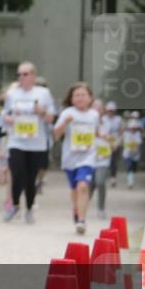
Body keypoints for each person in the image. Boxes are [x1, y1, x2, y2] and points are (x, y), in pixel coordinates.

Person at [0, 62, 56, 224]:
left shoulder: (43, 93)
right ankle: (15, 205)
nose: (21, 77)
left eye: (25, 74)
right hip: (16, 141)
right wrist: (8, 118)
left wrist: (41, 112)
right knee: (17, 173)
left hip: (37, 142)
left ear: (33, 76)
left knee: (30, 178)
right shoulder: (12, 94)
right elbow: (5, 113)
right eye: (19, 74)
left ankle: (29, 208)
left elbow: (51, 117)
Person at [53, 82, 99, 235]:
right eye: (77, 95)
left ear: (90, 98)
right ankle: (77, 209)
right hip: (70, 158)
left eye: (83, 95)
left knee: (83, 186)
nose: (80, 98)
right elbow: (56, 134)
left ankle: (81, 220)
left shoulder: (94, 115)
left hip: (88, 156)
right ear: (71, 99)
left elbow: (95, 132)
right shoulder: (67, 113)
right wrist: (65, 123)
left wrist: (102, 136)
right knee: (74, 189)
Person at [90, 99, 112, 220]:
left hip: (103, 158)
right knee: (89, 185)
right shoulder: (87, 120)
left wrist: (111, 141)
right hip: (89, 157)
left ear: (103, 110)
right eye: (95, 107)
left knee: (100, 182)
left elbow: (113, 138)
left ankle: (101, 208)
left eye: (99, 108)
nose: (97, 110)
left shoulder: (108, 123)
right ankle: (82, 207)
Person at [101, 101, 123, 188]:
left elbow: (121, 132)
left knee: (113, 160)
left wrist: (117, 143)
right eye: (109, 110)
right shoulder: (103, 119)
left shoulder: (118, 119)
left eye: (112, 110)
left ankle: (113, 177)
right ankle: (104, 176)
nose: (110, 112)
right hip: (105, 141)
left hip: (115, 142)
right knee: (104, 159)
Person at [123, 113, 143, 189]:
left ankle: (130, 177)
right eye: (131, 128)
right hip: (127, 153)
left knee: (134, 168)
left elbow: (139, 142)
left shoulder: (138, 134)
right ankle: (130, 182)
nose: (132, 129)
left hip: (135, 154)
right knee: (129, 166)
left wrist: (135, 142)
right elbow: (123, 141)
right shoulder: (125, 134)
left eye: (134, 128)